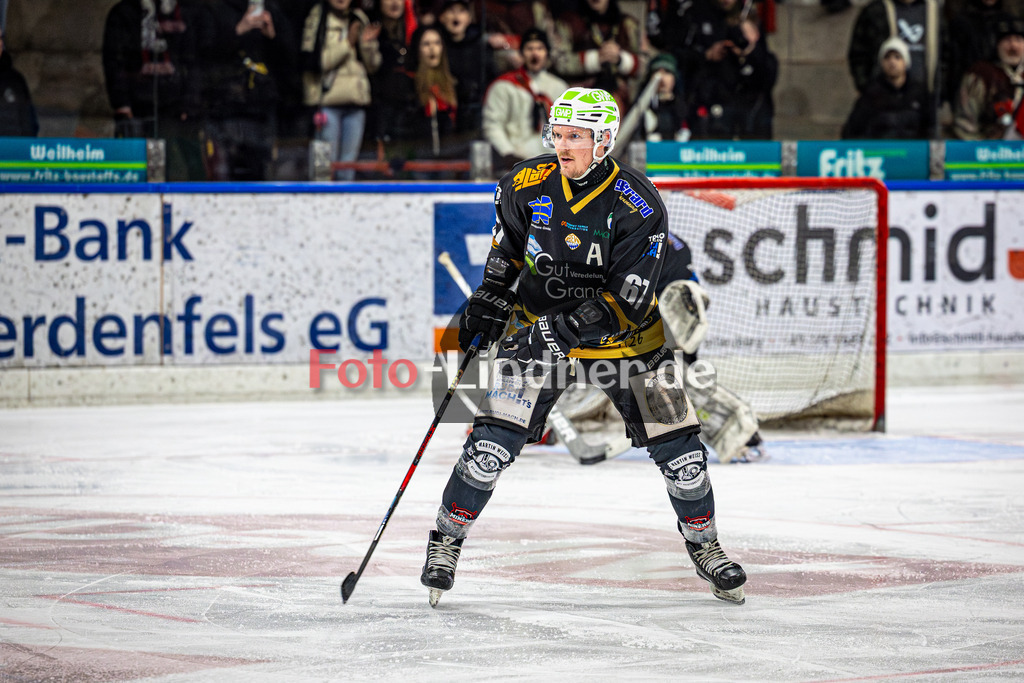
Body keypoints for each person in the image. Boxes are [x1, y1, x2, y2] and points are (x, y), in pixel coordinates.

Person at [420, 87, 748, 608]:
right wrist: (489, 298)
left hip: (629, 341)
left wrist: (555, 333)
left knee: (682, 454)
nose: (563, 144)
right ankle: (446, 541)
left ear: (604, 142)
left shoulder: (638, 203)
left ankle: (705, 546)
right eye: (558, 134)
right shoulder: (524, 185)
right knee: (488, 448)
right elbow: (506, 254)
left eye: (577, 136)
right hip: (535, 327)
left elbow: (627, 302)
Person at [552, 232, 767, 464]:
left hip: (628, 319)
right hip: (628, 313)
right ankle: (739, 435)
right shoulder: (663, 241)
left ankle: (737, 434)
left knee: (659, 376)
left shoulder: (633, 242)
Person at [101, 0, 204, 179]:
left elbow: (194, 60)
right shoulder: (124, 13)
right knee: (136, 171)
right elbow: (114, 62)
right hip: (136, 110)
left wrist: (190, 101)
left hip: (176, 110)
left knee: (178, 168)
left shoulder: (185, 11)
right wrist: (122, 104)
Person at [199, 0, 299, 180]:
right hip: (223, 111)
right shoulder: (213, 8)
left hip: (261, 111)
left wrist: (273, 38)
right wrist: (238, 31)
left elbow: (290, 64)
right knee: (221, 177)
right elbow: (204, 56)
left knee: (261, 177)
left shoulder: (271, 10)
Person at [300, 0, 381, 181]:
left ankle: (344, 206)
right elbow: (315, 62)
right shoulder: (317, 18)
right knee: (323, 169)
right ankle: (319, 205)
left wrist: (368, 45)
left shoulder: (359, 18)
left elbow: (373, 66)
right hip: (327, 103)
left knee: (347, 167)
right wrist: (347, 44)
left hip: (356, 103)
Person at [678, 0, 778, 140]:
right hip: (716, 108)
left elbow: (767, 77)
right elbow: (681, 57)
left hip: (751, 112)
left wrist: (749, 51)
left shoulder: (756, 38)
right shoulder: (697, 15)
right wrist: (707, 55)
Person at [847, 0, 946, 136]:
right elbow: (858, 54)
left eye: (897, 58)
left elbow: (948, 53)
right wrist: (870, 89)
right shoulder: (876, 10)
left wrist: (941, 92)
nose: (893, 62)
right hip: (881, 101)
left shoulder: (935, 11)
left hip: (923, 99)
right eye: (889, 58)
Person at [482, 28, 568, 173]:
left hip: (553, 165)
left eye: (540, 48)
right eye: (529, 49)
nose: (535, 54)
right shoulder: (504, 86)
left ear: (547, 53)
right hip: (515, 162)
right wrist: (508, 153)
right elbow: (492, 125)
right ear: (521, 53)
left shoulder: (560, 88)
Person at [551, 0, 645, 112]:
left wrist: (621, 59)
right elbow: (557, 61)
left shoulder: (628, 24)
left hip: (621, 100)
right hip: (579, 98)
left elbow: (644, 65)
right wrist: (595, 59)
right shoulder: (568, 23)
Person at [841, 36, 932, 138]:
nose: (892, 62)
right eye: (887, 57)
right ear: (882, 63)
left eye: (897, 57)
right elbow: (852, 131)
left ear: (905, 62)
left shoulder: (919, 94)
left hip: (913, 152)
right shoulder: (871, 95)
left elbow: (931, 129)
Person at [953, 15, 1024, 139]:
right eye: (1007, 40)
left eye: (1018, 40)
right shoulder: (981, 74)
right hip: (989, 149)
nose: (1013, 46)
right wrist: (981, 151)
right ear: (996, 45)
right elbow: (965, 125)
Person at [436, 0, 493, 140]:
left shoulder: (481, 45)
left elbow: (491, 78)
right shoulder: (436, 43)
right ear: (442, 17)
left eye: (461, 11)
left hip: (476, 111)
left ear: (469, 18)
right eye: (451, 11)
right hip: (445, 112)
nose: (456, 16)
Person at [640, 52, 689, 142]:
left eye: (667, 72)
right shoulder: (641, 106)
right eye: (656, 71)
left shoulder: (682, 106)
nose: (661, 77)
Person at [0, 23, 38, 137]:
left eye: (1, 38)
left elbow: (29, 124)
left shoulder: (15, 80)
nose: (0, 43)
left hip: (15, 152)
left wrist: (25, 150)